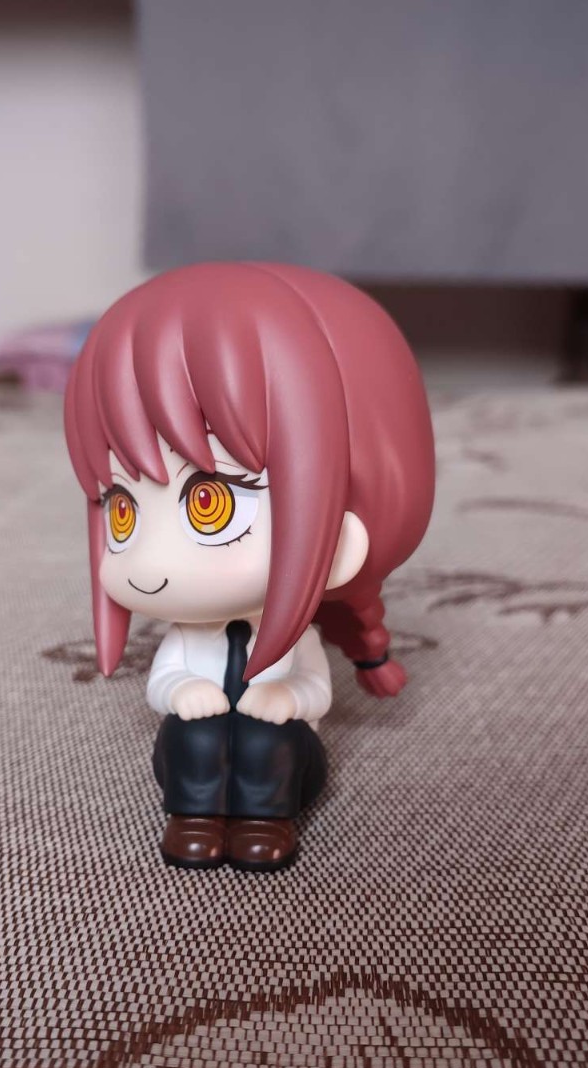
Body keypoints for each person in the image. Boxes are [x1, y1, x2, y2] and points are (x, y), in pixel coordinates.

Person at [62, 262, 436, 872]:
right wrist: (181, 689)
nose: (150, 565)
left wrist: (290, 697)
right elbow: (162, 681)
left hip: (280, 759)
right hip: (199, 752)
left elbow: (316, 689)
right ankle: (193, 815)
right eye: (122, 511)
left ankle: (267, 819)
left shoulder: (294, 639)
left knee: (269, 740)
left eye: (209, 504)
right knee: (191, 734)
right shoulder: (189, 636)